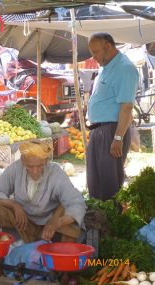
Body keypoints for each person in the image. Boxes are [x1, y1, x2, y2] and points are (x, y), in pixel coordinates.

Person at [0, 139, 86, 243]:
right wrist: (14, 205)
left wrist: (56, 223)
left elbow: (76, 203)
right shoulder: (16, 168)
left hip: (50, 223)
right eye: (30, 167)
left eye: (40, 166)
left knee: (70, 218)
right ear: (23, 160)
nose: (35, 171)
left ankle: (64, 258)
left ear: (46, 160)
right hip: (23, 222)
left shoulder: (56, 173)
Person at [86, 32, 139, 201]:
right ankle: (98, 219)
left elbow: (127, 106)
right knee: (96, 181)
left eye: (95, 52)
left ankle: (110, 221)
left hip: (111, 131)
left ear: (108, 46)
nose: (93, 57)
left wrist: (118, 137)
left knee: (109, 185)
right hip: (99, 131)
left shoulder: (124, 68)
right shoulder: (106, 66)